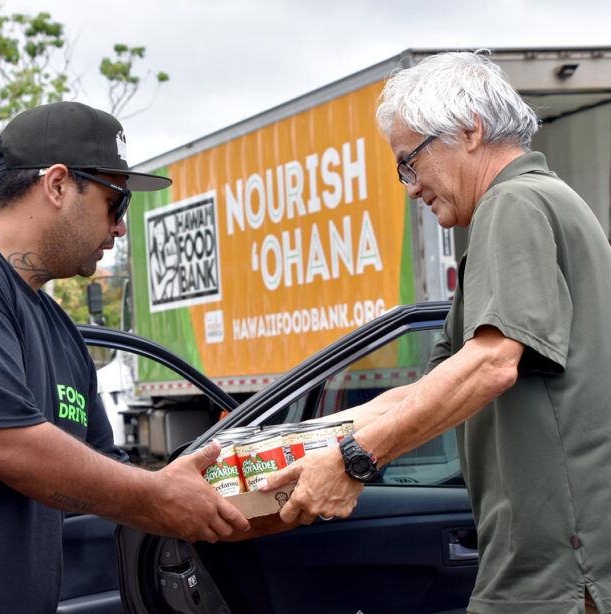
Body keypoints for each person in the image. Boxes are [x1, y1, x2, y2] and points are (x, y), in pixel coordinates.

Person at [0, 101, 249, 612]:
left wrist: (236, 487)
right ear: (57, 185)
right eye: (115, 202)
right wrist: (159, 497)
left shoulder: (59, 331)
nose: (121, 228)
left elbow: (106, 472)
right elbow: (6, 445)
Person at [261, 51, 611, 613]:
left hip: (560, 578)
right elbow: (429, 389)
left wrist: (355, 461)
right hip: (556, 569)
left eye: (410, 161)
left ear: (470, 130)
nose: (410, 187)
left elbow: (492, 365)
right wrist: (287, 444)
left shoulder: (514, 202)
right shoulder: (540, 201)